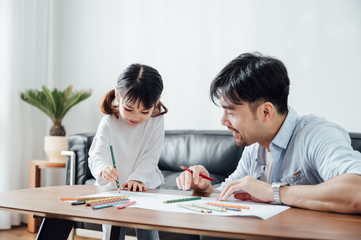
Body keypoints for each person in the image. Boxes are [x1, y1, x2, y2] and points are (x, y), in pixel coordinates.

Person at [176, 52, 361, 214]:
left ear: (266, 112)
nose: (223, 121)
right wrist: (205, 189)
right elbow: (228, 195)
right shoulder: (254, 146)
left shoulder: (316, 135)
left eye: (231, 112)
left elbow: (357, 191)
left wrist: (274, 192)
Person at [88, 63, 168, 240]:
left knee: (148, 232)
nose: (135, 117)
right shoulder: (109, 122)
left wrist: (137, 178)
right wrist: (103, 169)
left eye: (145, 111)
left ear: (155, 102)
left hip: (146, 184)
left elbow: (151, 156)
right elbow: (96, 155)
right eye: (129, 109)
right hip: (112, 188)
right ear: (118, 95)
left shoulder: (156, 121)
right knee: (112, 233)